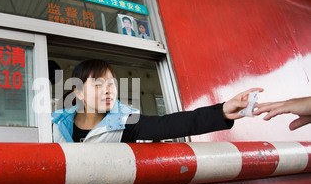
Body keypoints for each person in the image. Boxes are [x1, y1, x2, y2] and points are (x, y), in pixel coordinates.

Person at [52, 59, 263, 143]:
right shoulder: (55, 126)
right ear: (78, 92)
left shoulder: (125, 122)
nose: (108, 91)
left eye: (111, 84)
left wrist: (223, 111)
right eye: (98, 85)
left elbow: (169, 124)